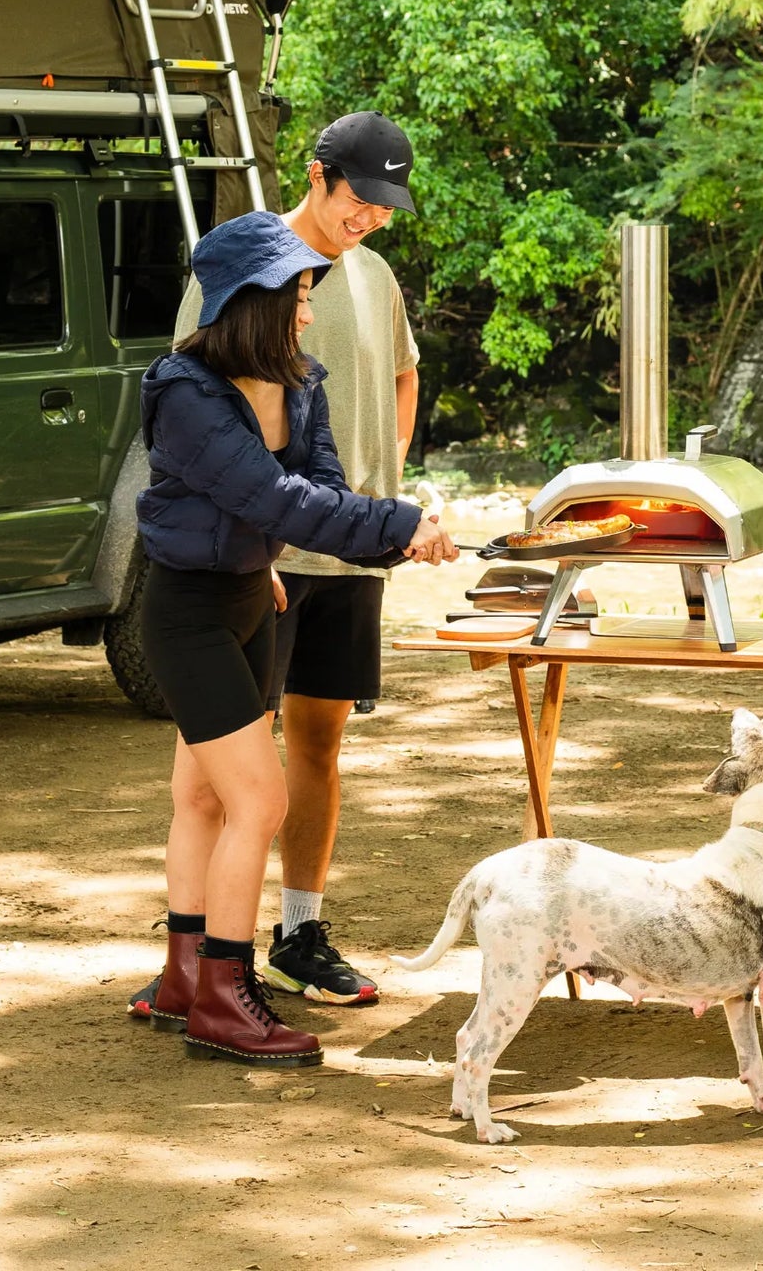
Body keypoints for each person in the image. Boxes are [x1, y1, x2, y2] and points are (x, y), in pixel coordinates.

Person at [131, 210, 456, 1067]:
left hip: (252, 596)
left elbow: (321, 494)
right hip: (189, 613)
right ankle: (225, 1001)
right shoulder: (187, 393)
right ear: (252, 301)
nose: (309, 312)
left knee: (204, 799)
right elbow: (274, 499)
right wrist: (401, 524)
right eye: (298, 296)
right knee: (259, 803)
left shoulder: (302, 382)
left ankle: (185, 981)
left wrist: (388, 539)